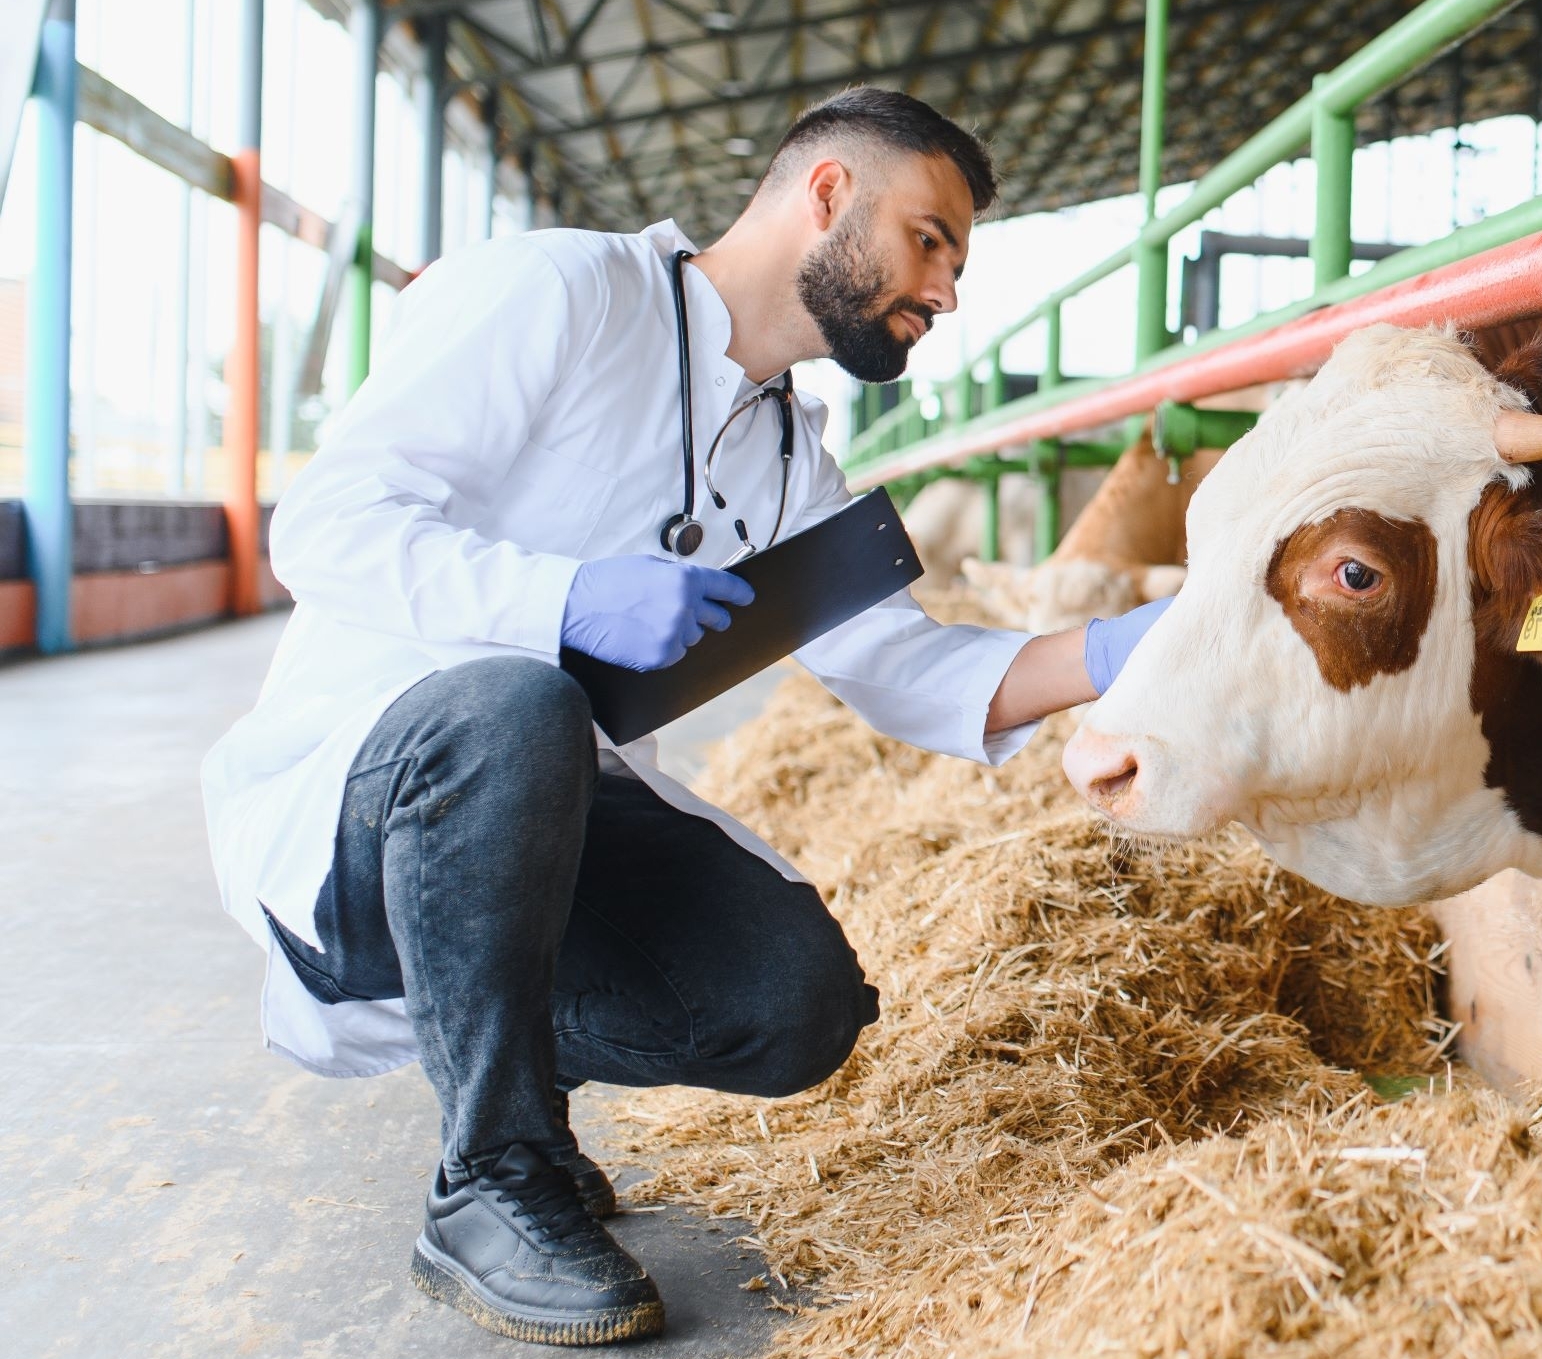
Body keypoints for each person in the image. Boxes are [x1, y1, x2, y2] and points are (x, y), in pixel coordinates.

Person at [200, 87, 1168, 1346]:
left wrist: (1124, 646)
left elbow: (912, 674)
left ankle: (526, 1085)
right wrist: (564, 599)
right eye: (930, 238)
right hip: (359, 814)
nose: (946, 290)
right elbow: (323, 529)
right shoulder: (559, 292)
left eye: (958, 262)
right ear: (827, 195)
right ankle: (486, 1180)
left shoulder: (786, 460)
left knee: (794, 1000)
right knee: (516, 704)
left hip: (544, 826)